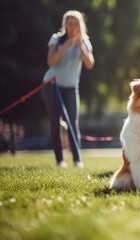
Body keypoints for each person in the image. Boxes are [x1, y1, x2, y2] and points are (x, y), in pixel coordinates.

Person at [41, 10, 94, 168]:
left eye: (76, 23)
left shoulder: (85, 42)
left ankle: (77, 160)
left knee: (72, 122)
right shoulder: (56, 39)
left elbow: (89, 64)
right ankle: (60, 160)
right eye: (70, 24)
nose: (72, 27)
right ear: (65, 25)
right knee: (55, 122)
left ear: (80, 26)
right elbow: (51, 62)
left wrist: (80, 46)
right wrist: (65, 46)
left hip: (71, 87)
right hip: (52, 85)